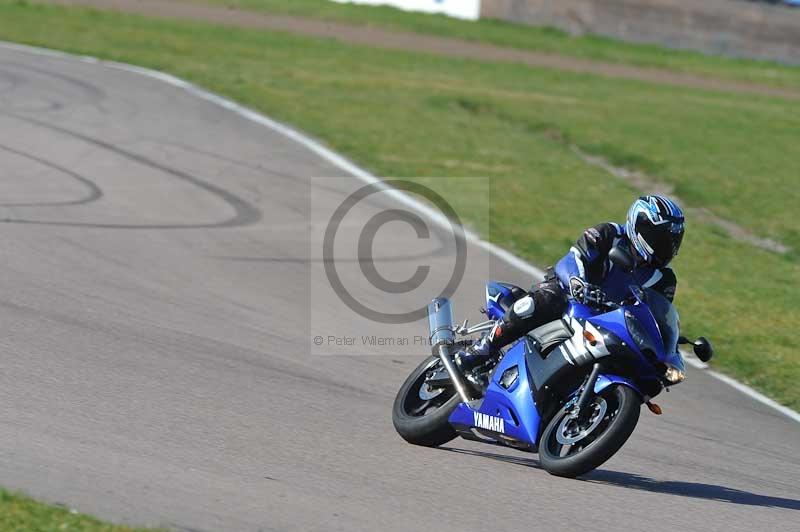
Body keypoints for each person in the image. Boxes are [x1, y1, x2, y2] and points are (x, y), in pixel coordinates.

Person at [457, 195, 685, 370]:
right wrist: (578, 283)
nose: (668, 248)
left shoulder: (664, 279)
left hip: (607, 323)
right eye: (661, 239)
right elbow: (574, 258)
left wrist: (669, 340)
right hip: (570, 294)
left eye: (673, 242)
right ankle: (484, 347)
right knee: (547, 298)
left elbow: (656, 314)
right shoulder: (608, 234)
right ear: (639, 226)